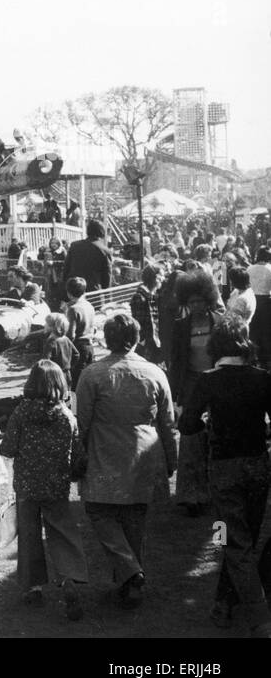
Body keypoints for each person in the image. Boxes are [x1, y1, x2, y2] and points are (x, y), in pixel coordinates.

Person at [177, 317, 271, 636]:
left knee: (229, 537)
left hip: (223, 468)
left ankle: (258, 616)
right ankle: (223, 598)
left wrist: (207, 424)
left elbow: (187, 425)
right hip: (258, 466)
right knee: (244, 537)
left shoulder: (208, 380)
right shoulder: (263, 378)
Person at [76, 315, 176, 609]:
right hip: (144, 455)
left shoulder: (92, 375)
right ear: (136, 337)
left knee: (98, 510)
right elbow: (168, 422)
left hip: (105, 456)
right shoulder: (155, 372)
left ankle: (130, 574)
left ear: (107, 339)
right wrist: (171, 459)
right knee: (134, 518)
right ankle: (132, 582)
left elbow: (81, 423)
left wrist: (77, 459)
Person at [0, 361, 89, 620]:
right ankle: (69, 578)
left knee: (29, 536)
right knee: (62, 533)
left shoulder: (21, 413)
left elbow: (9, 449)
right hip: (56, 487)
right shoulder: (67, 416)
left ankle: (33, 587)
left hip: (27, 487)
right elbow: (78, 456)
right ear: (60, 384)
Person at [168, 270, 224, 515]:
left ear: (208, 299)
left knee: (218, 436)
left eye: (200, 301)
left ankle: (217, 490)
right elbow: (176, 361)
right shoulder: (181, 326)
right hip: (191, 386)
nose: (196, 305)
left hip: (218, 384)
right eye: (191, 302)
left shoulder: (220, 322)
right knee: (190, 439)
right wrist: (176, 393)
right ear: (185, 303)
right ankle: (192, 496)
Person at [63, 277, 95, 390]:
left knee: (75, 382)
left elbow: (71, 334)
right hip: (90, 346)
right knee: (88, 381)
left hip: (78, 347)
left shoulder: (73, 309)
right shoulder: (89, 306)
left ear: (69, 293)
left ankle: (74, 406)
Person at [64, 220, 113, 292]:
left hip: (74, 289)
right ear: (102, 232)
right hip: (93, 291)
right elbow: (107, 276)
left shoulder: (74, 245)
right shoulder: (105, 251)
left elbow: (66, 268)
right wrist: (106, 291)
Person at [130, 265, 162, 363]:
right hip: (146, 344)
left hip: (154, 342)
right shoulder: (140, 297)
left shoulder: (152, 295)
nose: (163, 279)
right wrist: (142, 341)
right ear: (155, 278)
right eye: (162, 276)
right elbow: (139, 322)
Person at [249, 247, 271, 368]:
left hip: (252, 299)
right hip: (266, 301)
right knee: (266, 330)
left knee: (253, 328)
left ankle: (254, 356)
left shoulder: (249, 268)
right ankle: (267, 358)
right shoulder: (269, 269)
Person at [42, 313, 76, 388]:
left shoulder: (51, 341)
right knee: (67, 395)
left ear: (52, 327)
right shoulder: (66, 339)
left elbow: (45, 360)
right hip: (67, 373)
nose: (44, 325)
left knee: (56, 395)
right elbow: (76, 354)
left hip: (55, 375)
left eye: (46, 323)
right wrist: (69, 365)